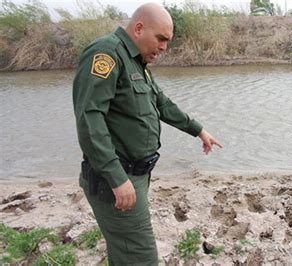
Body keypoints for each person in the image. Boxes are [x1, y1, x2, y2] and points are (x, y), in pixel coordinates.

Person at [72, 3, 222, 265]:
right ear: (139, 28)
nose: (164, 47)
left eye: (168, 41)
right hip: (115, 179)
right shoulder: (107, 54)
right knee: (141, 257)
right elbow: (89, 120)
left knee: (126, 253)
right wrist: (118, 179)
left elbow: (161, 103)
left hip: (135, 176)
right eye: (161, 38)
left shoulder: (136, 62)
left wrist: (198, 129)